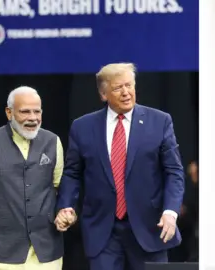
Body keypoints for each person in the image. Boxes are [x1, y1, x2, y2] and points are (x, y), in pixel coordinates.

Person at [55, 63, 185, 270]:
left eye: (129, 85)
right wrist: (67, 205)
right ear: (103, 94)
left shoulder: (159, 121)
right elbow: (72, 172)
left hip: (149, 227)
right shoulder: (82, 127)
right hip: (102, 230)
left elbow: (174, 171)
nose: (126, 92)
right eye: (118, 88)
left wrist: (170, 211)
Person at [0, 86, 64, 270]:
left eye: (37, 111)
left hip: (46, 254)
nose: (33, 118)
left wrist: (66, 212)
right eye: (25, 111)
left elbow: (61, 189)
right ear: (9, 113)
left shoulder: (53, 142)